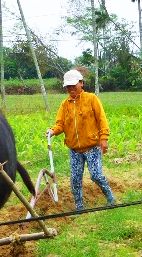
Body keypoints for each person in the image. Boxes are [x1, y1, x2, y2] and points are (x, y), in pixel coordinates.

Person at [47, 69, 116, 210]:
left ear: (81, 83)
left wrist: (104, 138)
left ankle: (110, 196)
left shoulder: (91, 99)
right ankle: (79, 207)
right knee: (75, 180)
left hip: (92, 146)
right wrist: (53, 131)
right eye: (68, 86)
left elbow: (102, 119)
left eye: (74, 85)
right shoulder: (65, 105)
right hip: (75, 149)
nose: (71, 88)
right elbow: (60, 124)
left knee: (96, 175)